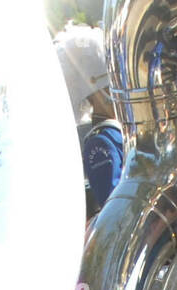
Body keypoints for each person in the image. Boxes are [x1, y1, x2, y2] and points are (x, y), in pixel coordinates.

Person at [55, 23, 124, 219]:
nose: (117, 93)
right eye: (111, 88)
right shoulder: (99, 141)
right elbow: (113, 206)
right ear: (95, 95)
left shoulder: (118, 130)